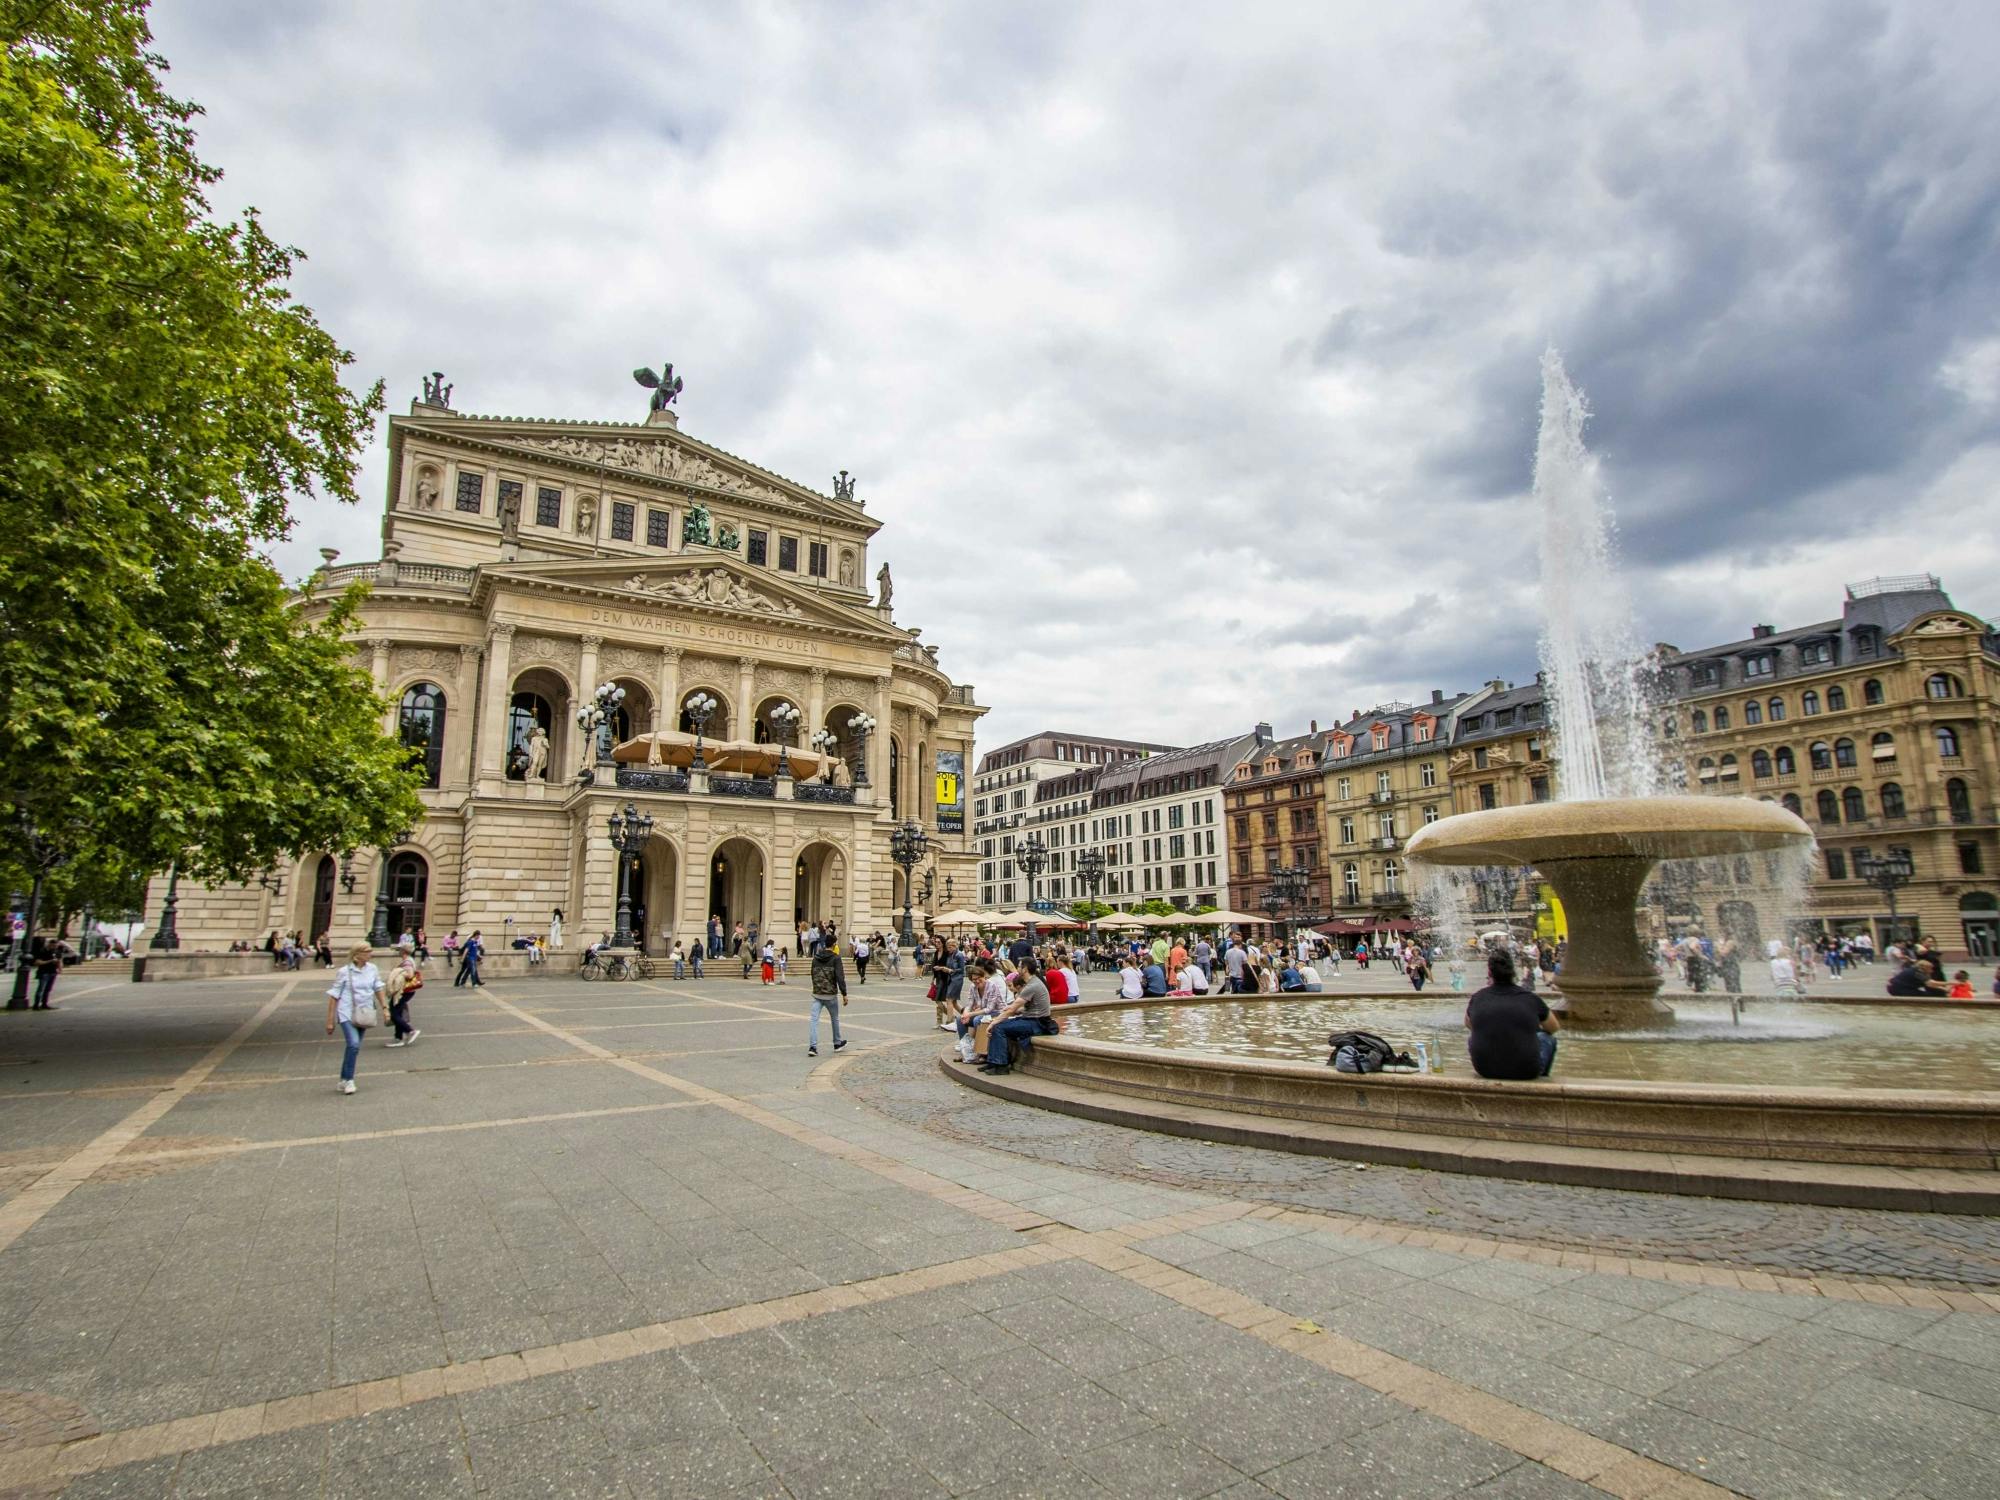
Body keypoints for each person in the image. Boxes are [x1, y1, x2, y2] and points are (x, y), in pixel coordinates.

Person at [1464, 948, 1559, 1080]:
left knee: (1472, 1037)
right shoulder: (1530, 998)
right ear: (1513, 971)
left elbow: (1469, 1025)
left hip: (1485, 1069)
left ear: (1489, 972)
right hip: (1527, 1071)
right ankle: (1541, 1082)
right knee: (1547, 1038)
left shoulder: (1477, 998)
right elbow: (1554, 1027)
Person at [326, 944, 386, 1094]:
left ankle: (343, 1079)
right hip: (346, 1012)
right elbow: (334, 996)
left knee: (354, 1047)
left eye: (370, 951)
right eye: (367, 952)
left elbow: (378, 988)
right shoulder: (344, 972)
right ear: (357, 954)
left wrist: (385, 1008)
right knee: (353, 1044)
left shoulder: (372, 969)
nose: (370, 954)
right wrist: (330, 1020)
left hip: (364, 1013)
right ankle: (349, 1081)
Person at [982, 964, 1057, 1075]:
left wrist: (993, 1022)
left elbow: (1011, 1010)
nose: (1017, 968)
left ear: (1025, 969)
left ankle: (1001, 1066)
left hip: (1036, 1024)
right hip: (1034, 1020)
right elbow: (1028, 1008)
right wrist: (1015, 1010)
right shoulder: (1033, 982)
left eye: (1020, 966)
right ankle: (993, 1062)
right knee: (1000, 1025)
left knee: (998, 1027)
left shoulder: (1032, 986)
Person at [807, 939, 848, 1057]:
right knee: (834, 1019)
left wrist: (816, 987)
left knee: (814, 1020)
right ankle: (837, 1043)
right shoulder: (836, 958)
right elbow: (840, 977)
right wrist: (844, 994)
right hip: (830, 994)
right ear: (834, 944)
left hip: (817, 993)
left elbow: (812, 973)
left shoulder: (816, 957)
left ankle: (813, 1047)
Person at [384, 945, 423, 1046]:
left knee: (393, 1013)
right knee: (398, 1012)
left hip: (403, 991)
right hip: (407, 991)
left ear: (403, 951)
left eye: (399, 950)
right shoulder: (409, 960)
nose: (398, 951)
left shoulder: (407, 962)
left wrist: (398, 973)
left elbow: (410, 975)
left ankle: (410, 1031)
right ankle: (398, 1037)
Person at [29, 934, 64, 1009]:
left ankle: (44, 1004)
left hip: (53, 972)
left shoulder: (57, 952)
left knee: (48, 989)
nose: (55, 947)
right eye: (53, 945)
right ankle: (36, 1005)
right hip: (44, 972)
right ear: (50, 944)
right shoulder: (43, 951)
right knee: (41, 989)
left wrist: (60, 968)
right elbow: (37, 962)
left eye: (56, 946)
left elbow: (60, 961)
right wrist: (50, 961)